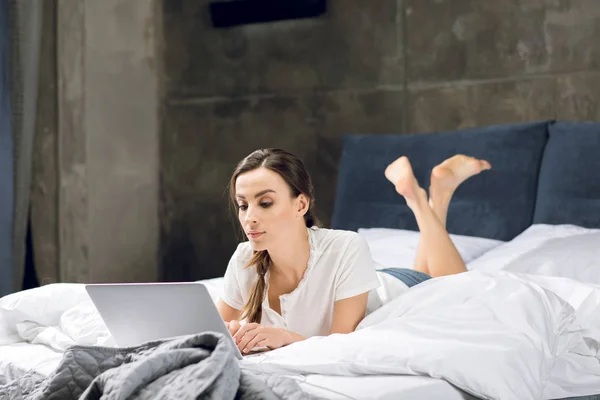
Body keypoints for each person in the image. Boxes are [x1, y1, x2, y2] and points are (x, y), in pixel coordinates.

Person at [216, 148, 491, 355]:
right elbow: (213, 337)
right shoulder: (244, 260)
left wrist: (285, 337)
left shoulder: (346, 245)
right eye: (242, 205)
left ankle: (420, 200)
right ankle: (439, 192)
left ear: (301, 205)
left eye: (265, 203)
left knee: (458, 288)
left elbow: (342, 347)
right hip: (365, 283)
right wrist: (232, 335)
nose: (249, 217)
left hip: (401, 285)